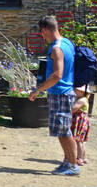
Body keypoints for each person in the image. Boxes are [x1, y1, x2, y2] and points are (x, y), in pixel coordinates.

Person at [28, 15, 79, 176]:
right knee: (63, 130)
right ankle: (68, 161)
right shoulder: (68, 43)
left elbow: (57, 75)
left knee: (63, 132)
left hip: (60, 94)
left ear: (44, 31)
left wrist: (38, 90)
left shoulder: (57, 48)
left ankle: (72, 165)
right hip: (65, 92)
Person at [72, 93, 91, 165]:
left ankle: (79, 158)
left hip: (80, 122)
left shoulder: (82, 100)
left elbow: (73, 109)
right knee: (81, 141)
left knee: (78, 140)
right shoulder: (84, 99)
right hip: (82, 122)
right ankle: (84, 157)